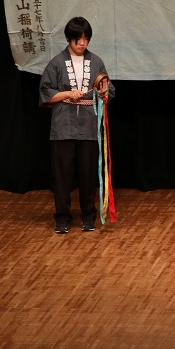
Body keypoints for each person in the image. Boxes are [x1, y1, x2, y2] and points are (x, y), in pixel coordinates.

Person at [39, 17, 115, 234]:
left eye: (85, 39)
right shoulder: (56, 63)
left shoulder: (97, 62)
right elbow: (45, 92)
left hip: (89, 124)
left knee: (87, 172)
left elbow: (110, 89)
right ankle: (62, 216)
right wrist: (67, 94)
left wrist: (103, 91)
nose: (82, 43)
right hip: (64, 124)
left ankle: (88, 215)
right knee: (62, 174)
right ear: (68, 39)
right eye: (78, 39)